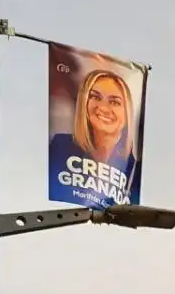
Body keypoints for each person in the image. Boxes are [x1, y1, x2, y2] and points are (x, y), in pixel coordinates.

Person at [48, 68, 140, 207]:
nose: (103, 108)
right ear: (84, 104)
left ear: (127, 113)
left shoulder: (134, 172)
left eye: (114, 102)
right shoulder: (60, 147)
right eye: (95, 97)